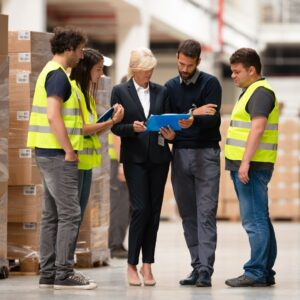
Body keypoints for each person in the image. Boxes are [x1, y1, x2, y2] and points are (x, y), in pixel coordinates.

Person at [27, 27, 96, 289]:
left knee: (52, 214)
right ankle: (64, 273)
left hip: (46, 151)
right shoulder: (57, 77)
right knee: (69, 213)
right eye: (79, 50)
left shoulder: (49, 72)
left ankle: (48, 273)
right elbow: (54, 116)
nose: (80, 56)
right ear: (68, 49)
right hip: (57, 154)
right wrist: (69, 149)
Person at [110, 47, 175, 286]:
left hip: (159, 159)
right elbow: (115, 127)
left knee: (154, 212)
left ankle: (148, 265)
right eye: (146, 71)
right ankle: (131, 264)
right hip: (135, 159)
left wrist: (170, 134)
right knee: (140, 209)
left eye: (152, 70)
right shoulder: (120, 91)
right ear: (135, 70)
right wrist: (132, 128)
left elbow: (168, 122)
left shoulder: (162, 91)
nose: (150, 74)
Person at [165, 39, 222, 287]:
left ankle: (206, 270)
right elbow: (171, 121)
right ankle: (196, 266)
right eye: (181, 63)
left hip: (205, 155)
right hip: (179, 155)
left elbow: (212, 120)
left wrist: (192, 119)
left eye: (189, 65)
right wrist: (172, 132)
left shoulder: (210, 83)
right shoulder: (169, 87)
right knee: (188, 215)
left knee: (206, 214)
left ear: (198, 62)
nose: (184, 69)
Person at [224, 48, 279, 287]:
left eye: (237, 72)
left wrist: (245, 162)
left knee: (254, 221)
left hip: (252, 167)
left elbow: (257, 128)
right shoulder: (251, 92)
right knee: (261, 219)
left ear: (252, 70)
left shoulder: (260, 93)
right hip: (248, 165)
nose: (233, 76)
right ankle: (264, 271)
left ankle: (256, 271)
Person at [70, 48, 124, 222]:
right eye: (98, 69)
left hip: (86, 163)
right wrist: (111, 122)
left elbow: (93, 129)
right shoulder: (73, 91)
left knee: (78, 214)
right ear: (86, 69)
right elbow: (81, 128)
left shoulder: (88, 96)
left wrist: (111, 119)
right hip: (74, 162)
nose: (101, 74)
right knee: (71, 215)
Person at [108, 132, 130, 259]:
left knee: (126, 206)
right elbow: (117, 136)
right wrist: (121, 164)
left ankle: (118, 243)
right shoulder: (117, 111)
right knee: (120, 205)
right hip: (117, 160)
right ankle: (114, 245)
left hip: (121, 159)